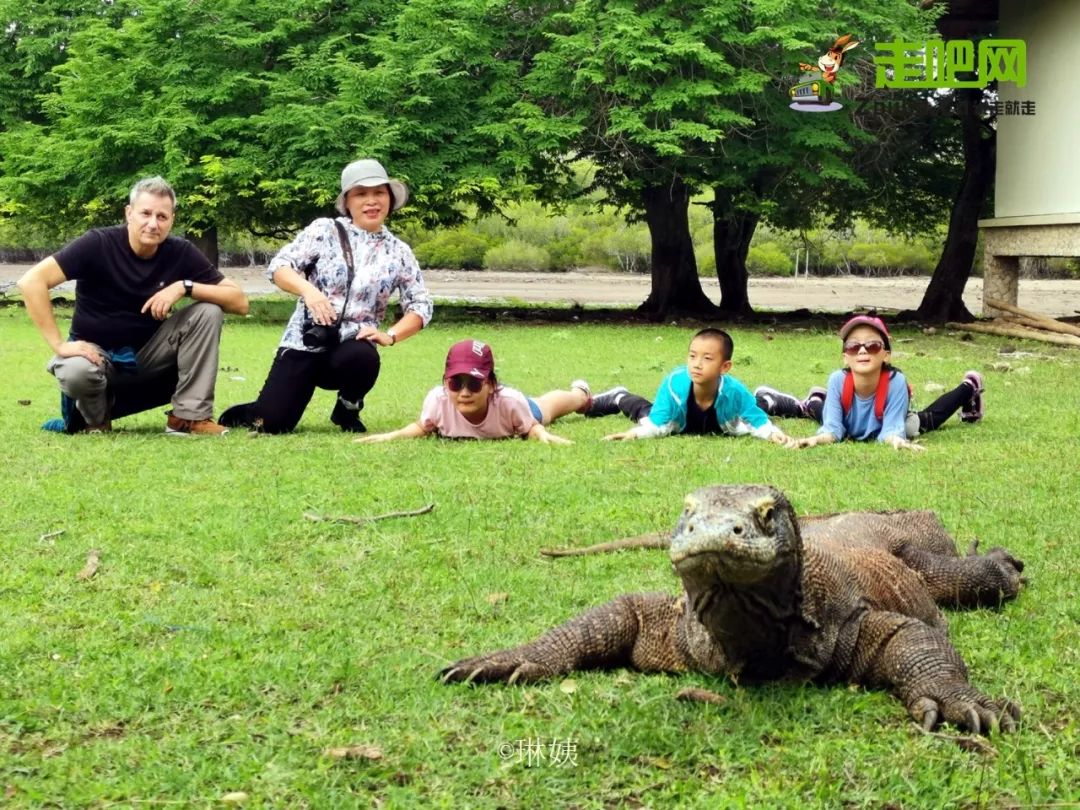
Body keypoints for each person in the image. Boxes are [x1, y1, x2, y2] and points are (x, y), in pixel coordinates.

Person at [17, 176, 249, 435]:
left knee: (208, 311)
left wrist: (184, 286)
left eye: (162, 217)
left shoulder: (179, 252)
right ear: (129, 213)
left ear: (172, 219)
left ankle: (188, 418)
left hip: (149, 360)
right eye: (145, 213)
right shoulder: (97, 244)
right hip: (96, 359)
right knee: (74, 369)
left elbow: (239, 302)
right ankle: (95, 421)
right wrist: (59, 345)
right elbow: (31, 282)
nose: (153, 224)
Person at [218, 159, 433, 433]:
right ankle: (256, 409)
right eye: (361, 194)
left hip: (351, 347)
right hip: (307, 338)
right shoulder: (325, 231)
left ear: (389, 199)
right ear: (347, 201)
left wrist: (390, 335)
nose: (371, 201)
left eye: (379, 193)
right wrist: (310, 292)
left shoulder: (399, 251)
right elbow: (279, 268)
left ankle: (347, 408)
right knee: (271, 424)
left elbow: (421, 304)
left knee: (364, 357)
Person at [753, 315, 985, 453]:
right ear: (846, 356)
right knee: (823, 415)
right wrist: (814, 440)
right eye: (853, 346)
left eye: (872, 346)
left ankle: (969, 387)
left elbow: (892, 430)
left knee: (921, 424)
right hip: (847, 420)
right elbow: (833, 429)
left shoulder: (896, 382)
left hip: (890, 419)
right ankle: (813, 400)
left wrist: (897, 441)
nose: (862, 351)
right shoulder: (838, 379)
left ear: (886, 354)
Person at [584, 328, 796, 446]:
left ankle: (768, 397)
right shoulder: (673, 385)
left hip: (726, 418)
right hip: (676, 419)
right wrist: (634, 434)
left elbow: (757, 421)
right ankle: (619, 396)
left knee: (753, 406)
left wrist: (772, 434)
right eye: (692, 356)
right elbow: (657, 424)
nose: (697, 363)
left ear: (725, 367)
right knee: (645, 413)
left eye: (707, 358)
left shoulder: (735, 391)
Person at [354, 339, 590, 445]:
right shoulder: (438, 400)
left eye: (474, 384)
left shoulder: (509, 401)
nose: (464, 392)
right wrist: (390, 436)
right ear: (446, 383)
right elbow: (422, 426)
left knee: (547, 406)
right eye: (456, 384)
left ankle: (581, 392)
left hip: (520, 411)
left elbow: (531, 428)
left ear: (490, 385)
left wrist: (542, 435)